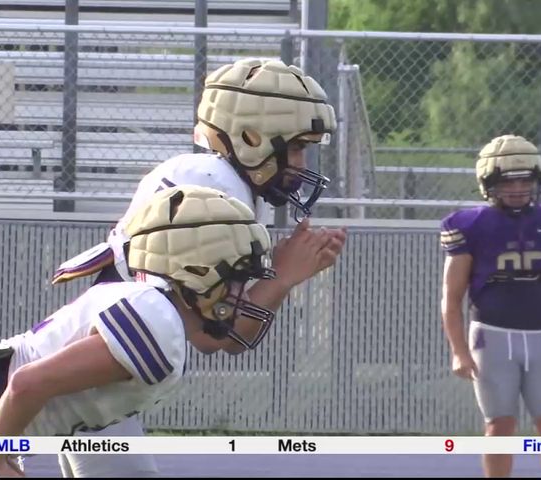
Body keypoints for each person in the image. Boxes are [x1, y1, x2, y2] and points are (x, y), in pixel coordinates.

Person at [47, 58, 347, 476]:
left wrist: (283, 273)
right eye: (295, 146)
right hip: (83, 375)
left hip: (91, 374)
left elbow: (221, 332)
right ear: (251, 137)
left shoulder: (211, 179)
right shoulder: (213, 191)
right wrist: (284, 274)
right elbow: (216, 335)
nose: (300, 163)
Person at [0, 185, 280, 477]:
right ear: (196, 273)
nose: (242, 293)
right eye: (238, 278)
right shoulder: (156, 320)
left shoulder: (158, 313)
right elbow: (27, 384)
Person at [439, 134, 541, 477]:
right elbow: (451, 297)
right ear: (489, 184)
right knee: (499, 427)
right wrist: (459, 351)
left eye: (525, 179)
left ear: (537, 180)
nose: (519, 188)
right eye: (508, 181)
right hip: (491, 339)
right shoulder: (470, 225)